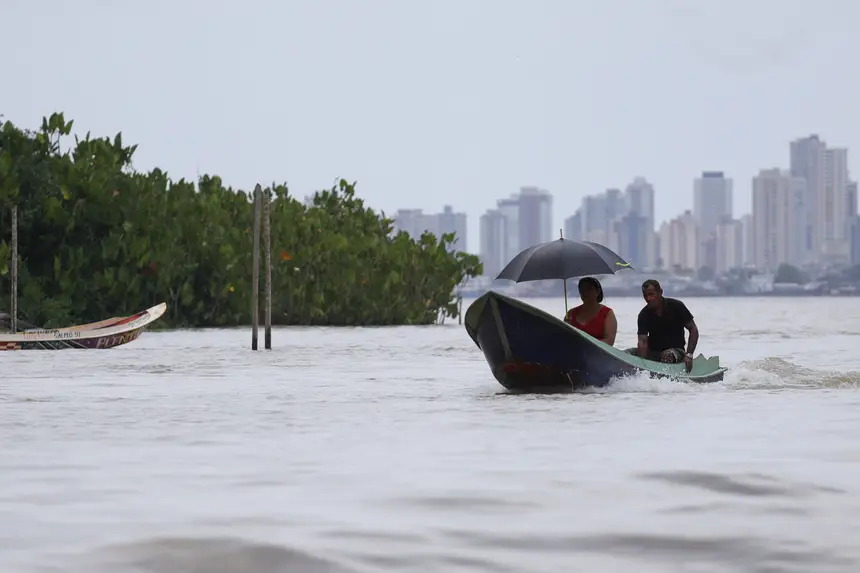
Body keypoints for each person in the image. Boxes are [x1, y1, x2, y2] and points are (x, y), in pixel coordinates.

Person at [626, 279, 699, 372]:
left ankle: (668, 377)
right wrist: (642, 364)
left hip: (676, 351)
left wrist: (689, 354)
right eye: (645, 295)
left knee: (667, 355)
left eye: (651, 294)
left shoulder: (676, 306)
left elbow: (693, 330)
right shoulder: (644, 314)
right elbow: (642, 342)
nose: (648, 298)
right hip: (653, 351)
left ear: (660, 292)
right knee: (627, 353)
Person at [563, 277, 617, 346]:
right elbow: (564, 339)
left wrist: (585, 345)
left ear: (598, 291)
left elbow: (609, 342)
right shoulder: (571, 313)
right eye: (582, 289)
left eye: (589, 289)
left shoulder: (607, 313)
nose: (585, 292)